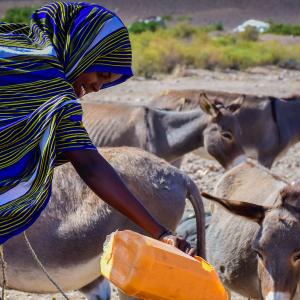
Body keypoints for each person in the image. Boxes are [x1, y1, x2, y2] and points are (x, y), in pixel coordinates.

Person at [0, 2, 194, 255]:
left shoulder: (10, 43)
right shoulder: (52, 93)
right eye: (101, 74)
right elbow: (90, 165)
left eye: (108, 83)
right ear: (81, 50)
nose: (97, 88)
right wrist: (161, 232)